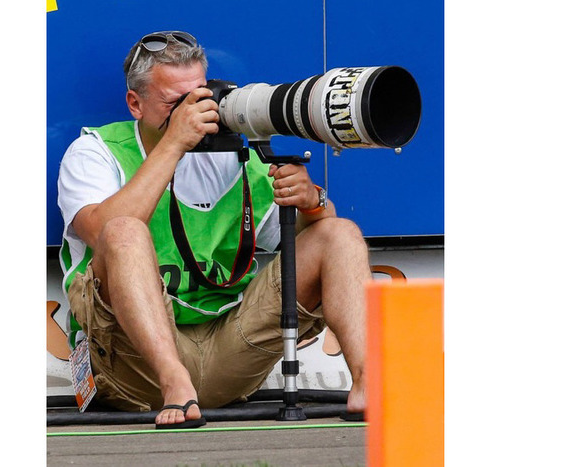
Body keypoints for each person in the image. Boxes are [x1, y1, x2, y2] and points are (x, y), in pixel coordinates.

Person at [57, 30, 370, 429]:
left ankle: (367, 381)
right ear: (135, 103)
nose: (193, 110)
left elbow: (316, 243)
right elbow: (101, 233)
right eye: (176, 102)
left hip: (229, 348)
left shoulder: (231, 154)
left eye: (200, 95)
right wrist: (174, 143)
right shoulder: (94, 152)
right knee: (123, 231)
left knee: (340, 232)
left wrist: (312, 201)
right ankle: (175, 380)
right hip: (134, 364)